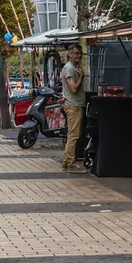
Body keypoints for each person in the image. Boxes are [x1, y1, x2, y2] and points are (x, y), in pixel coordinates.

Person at [60, 44, 87, 173]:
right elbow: (74, 88)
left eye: (80, 53)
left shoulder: (72, 68)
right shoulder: (70, 68)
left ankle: (67, 162)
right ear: (70, 54)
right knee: (73, 135)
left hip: (74, 104)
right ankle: (70, 163)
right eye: (75, 53)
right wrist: (81, 77)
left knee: (73, 134)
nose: (78, 56)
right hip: (73, 105)